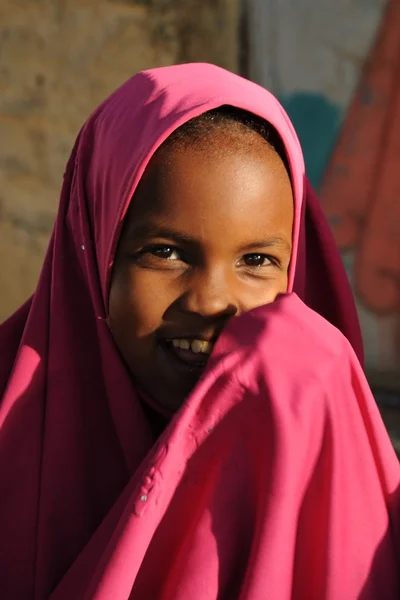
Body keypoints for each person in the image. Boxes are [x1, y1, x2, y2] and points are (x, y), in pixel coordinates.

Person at [0, 63, 398, 599]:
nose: (212, 300)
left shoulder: (318, 442)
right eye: (165, 252)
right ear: (95, 252)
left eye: (256, 259)